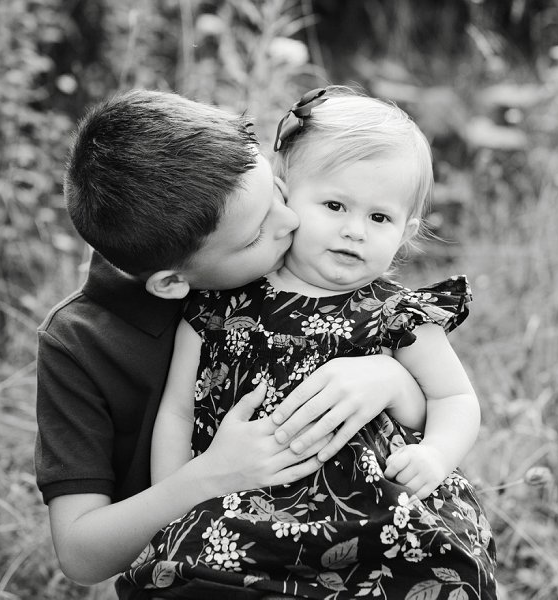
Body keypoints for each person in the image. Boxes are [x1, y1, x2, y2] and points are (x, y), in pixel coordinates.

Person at [34, 89, 429, 598]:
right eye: (255, 233)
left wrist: (390, 378)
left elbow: (431, 406)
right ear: (173, 283)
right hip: (212, 564)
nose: (291, 223)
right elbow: (80, 552)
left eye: (278, 194)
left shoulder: (292, 264)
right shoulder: (78, 343)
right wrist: (210, 476)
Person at [119, 87, 497, 599]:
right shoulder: (220, 301)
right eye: (335, 205)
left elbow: (454, 398)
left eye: (378, 218)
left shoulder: (394, 312)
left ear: (406, 232)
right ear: (284, 197)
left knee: (441, 568)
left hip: (372, 519)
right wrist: (175, 498)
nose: (353, 231)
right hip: (241, 508)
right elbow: (179, 411)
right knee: (200, 574)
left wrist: (435, 454)